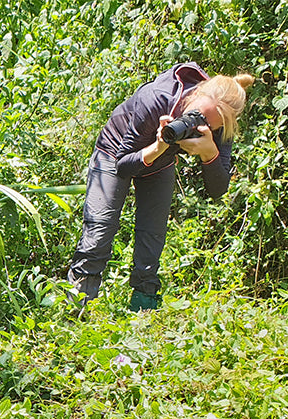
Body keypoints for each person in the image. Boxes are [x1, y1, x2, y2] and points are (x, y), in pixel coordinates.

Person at [66, 63, 253, 312]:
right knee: (99, 233)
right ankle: (74, 312)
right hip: (115, 153)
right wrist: (156, 148)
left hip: (160, 163)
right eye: (199, 115)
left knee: (151, 241)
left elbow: (218, 189)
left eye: (212, 125)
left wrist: (209, 154)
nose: (201, 123)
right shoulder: (156, 98)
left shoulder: (220, 124)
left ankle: (143, 317)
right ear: (196, 93)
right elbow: (123, 165)